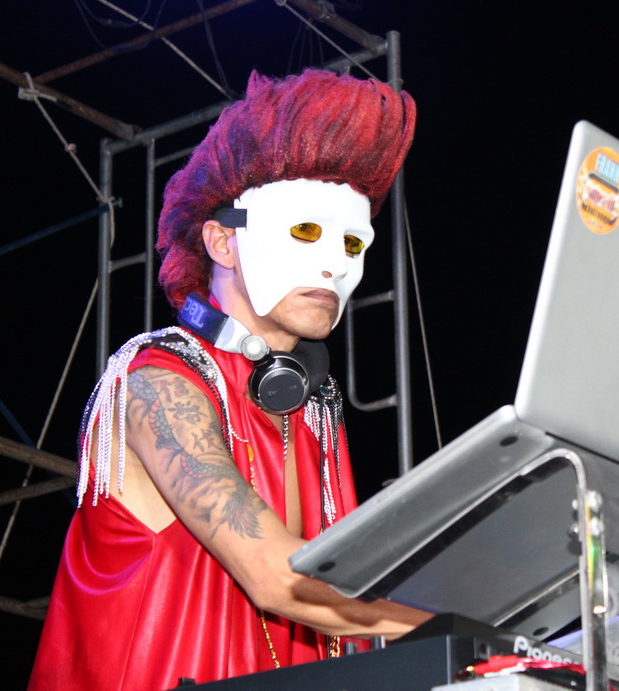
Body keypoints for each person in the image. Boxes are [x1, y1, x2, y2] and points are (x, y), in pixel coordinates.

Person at [28, 69, 430, 690]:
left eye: (353, 243)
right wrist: (456, 626)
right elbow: (275, 576)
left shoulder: (311, 412)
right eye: (305, 230)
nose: (334, 263)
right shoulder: (156, 384)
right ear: (221, 242)